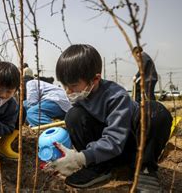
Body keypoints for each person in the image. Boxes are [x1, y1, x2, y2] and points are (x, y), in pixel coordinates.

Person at [46, 44, 172, 190]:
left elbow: (115, 139)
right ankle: (99, 167)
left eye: (73, 85)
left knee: (155, 111)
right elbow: (83, 127)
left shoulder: (116, 97)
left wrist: (80, 158)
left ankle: (145, 169)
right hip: (105, 154)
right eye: (64, 85)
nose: (68, 91)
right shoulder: (81, 96)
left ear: (95, 79)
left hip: (130, 146)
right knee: (73, 116)